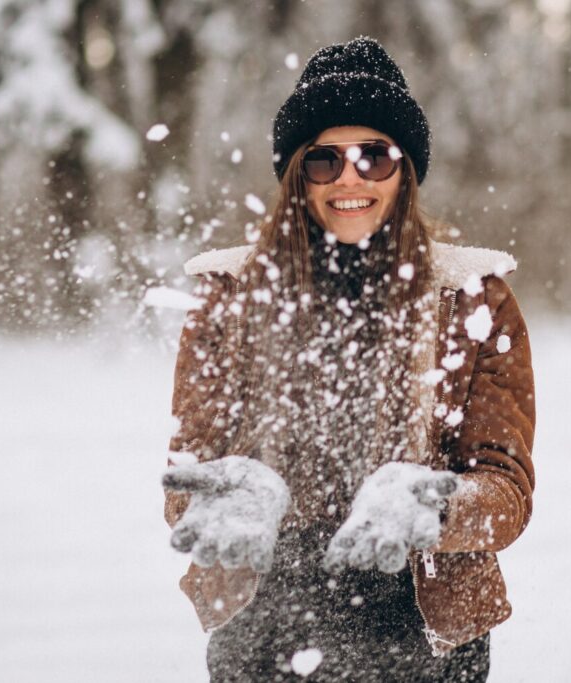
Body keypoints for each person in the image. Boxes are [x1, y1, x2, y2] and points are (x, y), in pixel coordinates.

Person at [162, 37, 535, 682]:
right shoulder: (230, 297)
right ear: (296, 175)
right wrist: (228, 500)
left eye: (374, 156)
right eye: (324, 160)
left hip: (425, 634)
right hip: (264, 630)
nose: (349, 177)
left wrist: (436, 508)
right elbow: (189, 478)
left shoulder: (472, 300)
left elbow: (507, 492)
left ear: (406, 170)